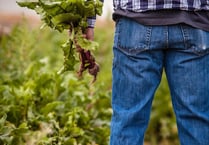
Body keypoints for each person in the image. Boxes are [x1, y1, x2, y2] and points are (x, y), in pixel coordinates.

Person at [109, 0, 209, 145]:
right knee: (197, 121)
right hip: (194, 21)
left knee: (128, 120)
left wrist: (85, 21)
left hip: (135, 22)